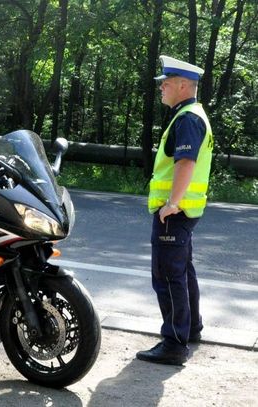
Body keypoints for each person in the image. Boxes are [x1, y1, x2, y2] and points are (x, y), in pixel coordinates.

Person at [136, 55, 214, 366]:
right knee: (183, 272)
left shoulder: (187, 119)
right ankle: (190, 328)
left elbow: (186, 163)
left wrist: (171, 204)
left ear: (183, 85)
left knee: (168, 278)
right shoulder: (191, 115)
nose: (161, 88)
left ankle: (173, 343)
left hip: (175, 214)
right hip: (184, 214)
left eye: (166, 83)